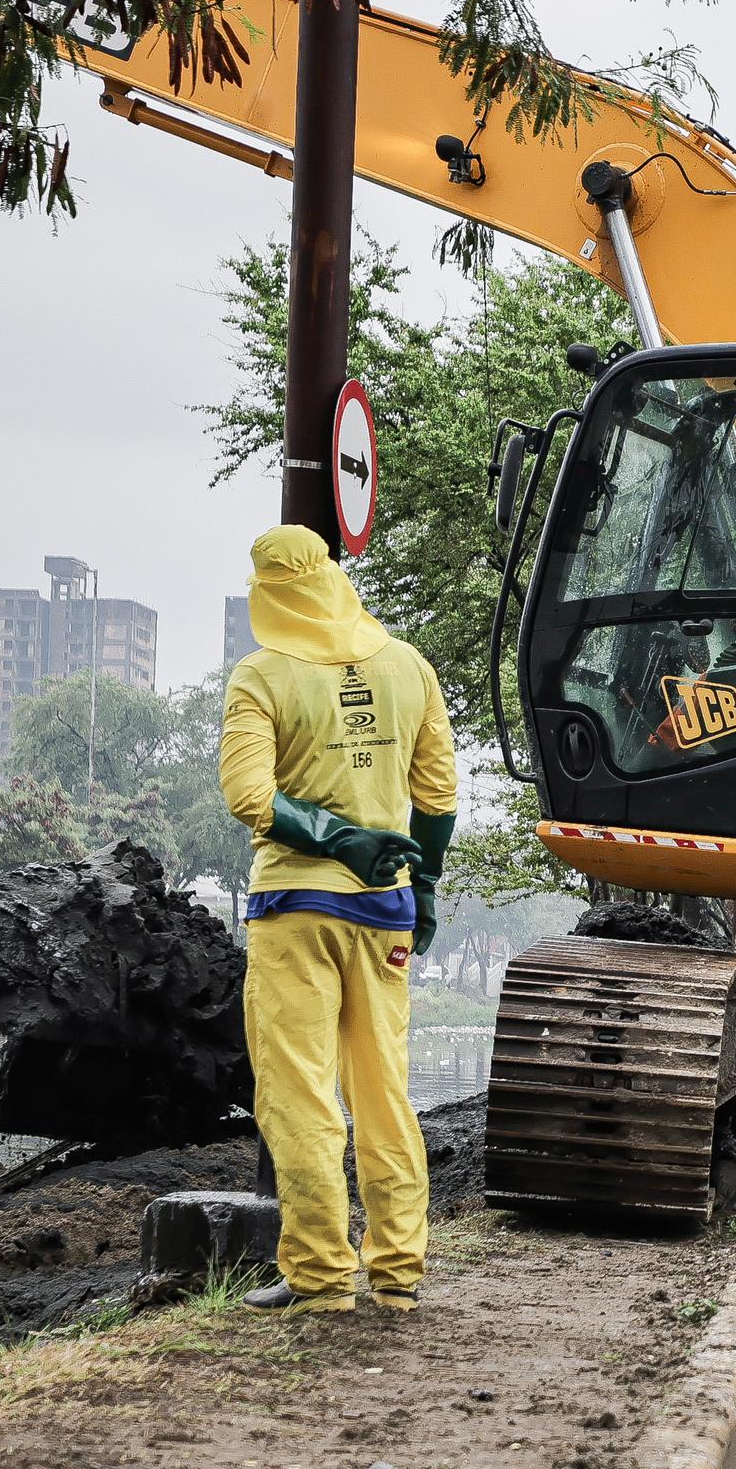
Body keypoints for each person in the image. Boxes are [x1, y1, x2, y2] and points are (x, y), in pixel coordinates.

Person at [217, 524, 457, 1314]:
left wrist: (338, 839)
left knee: (299, 1093)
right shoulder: (408, 667)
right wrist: (418, 888)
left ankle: (321, 1277)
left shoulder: (261, 676)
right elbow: (438, 796)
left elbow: (250, 797)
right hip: (384, 915)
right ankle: (397, 1271)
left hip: (295, 910)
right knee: (384, 1088)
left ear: (269, 595)